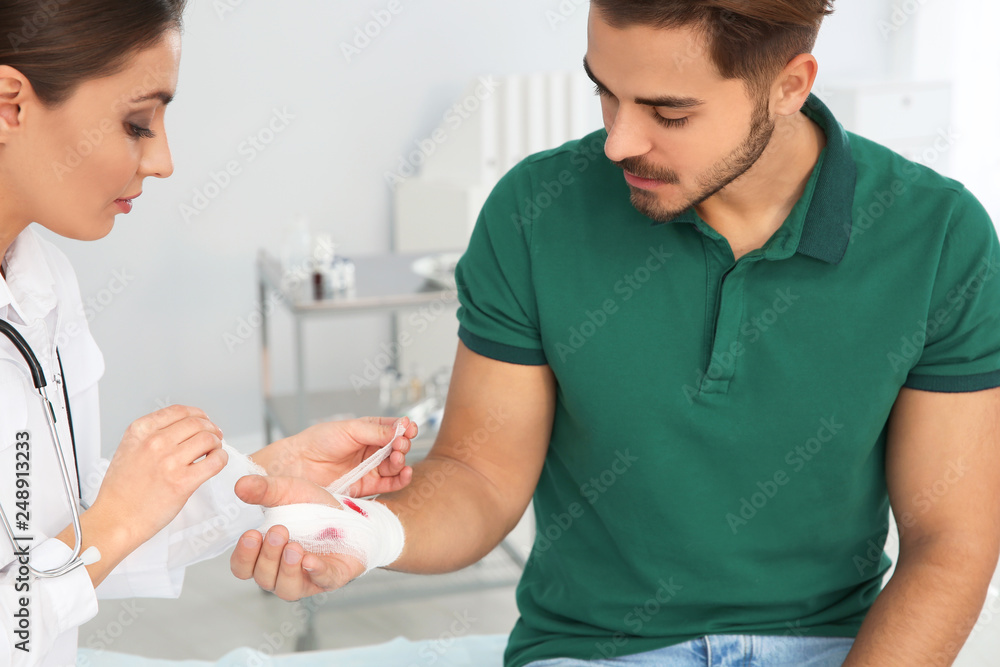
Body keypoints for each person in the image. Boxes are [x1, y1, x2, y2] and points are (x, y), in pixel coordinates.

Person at [234, 1, 1000, 666]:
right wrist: (363, 529)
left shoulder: (936, 236)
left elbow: (951, 541)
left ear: (791, 86)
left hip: (834, 647)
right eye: (605, 93)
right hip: (595, 647)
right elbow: (480, 473)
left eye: (669, 113)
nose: (619, 141)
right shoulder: (536, 211)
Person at [0, 1, 417, 665]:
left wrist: (270, 469)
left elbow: (63, 532)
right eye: (137, 123)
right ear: (10, 104)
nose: (164, 161)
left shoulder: (41, 282)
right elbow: (93, 538)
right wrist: (115, 524)